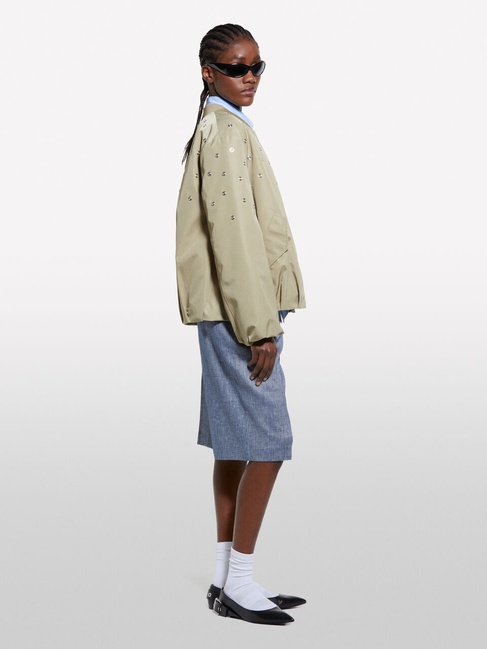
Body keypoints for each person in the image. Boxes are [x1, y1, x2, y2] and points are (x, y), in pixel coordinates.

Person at [175, 23, 306, 626]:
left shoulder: (222, 125)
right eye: (235, 68)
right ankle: (241, 583)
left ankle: (228, 578)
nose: (249, 77)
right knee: (268, 443)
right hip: (240, 315)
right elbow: (234, 240)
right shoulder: (224, 133)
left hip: (227, 310)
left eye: (257, 67)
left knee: (235, 444)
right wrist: (259, 328)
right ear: (209, 72)